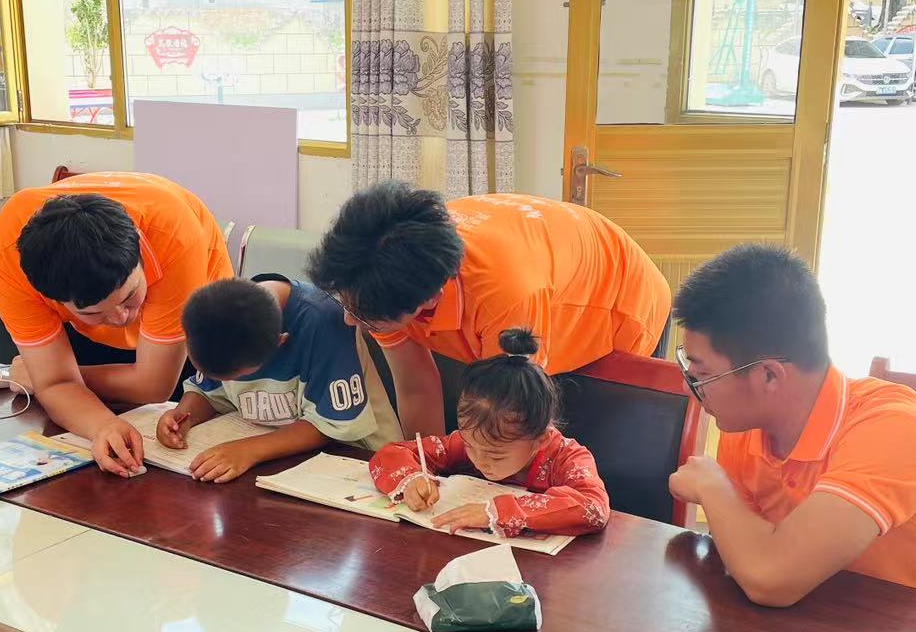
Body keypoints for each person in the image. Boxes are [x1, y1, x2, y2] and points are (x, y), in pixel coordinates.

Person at [665, 243, 916, 616]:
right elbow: (748, 556)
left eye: (702, 375)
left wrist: (713, 487)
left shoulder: (894, 429)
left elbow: (770, 577)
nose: (688, 387)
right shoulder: (746, 433)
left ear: (769, 376)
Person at [307, 182, 672, 436]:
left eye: (363, 314)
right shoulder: (381, 271)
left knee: (590, 452)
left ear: (429, 300)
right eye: (344, 302)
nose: (349, 319)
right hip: (542, 271)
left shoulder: (505, 295)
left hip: (613, 302)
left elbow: (513, 422)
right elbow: (416, 386)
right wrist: (424, 470)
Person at [0, 172, 232, 475]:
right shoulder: (7, 258)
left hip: (192, 319)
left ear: (141, 252)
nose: (121, 318)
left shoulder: (174, 236)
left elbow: (154, 386)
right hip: (87, 339)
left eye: (129, 297)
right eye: (93, 313)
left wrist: (42, 378)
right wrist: (102, 424)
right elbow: (58, 384)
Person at [154, 275, 402, 483]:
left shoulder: (325, 323)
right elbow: (209, 392)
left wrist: (248, 450)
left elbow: (330, 426)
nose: (229, 383)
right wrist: (184, 415)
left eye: (238, 377)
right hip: (277, 461)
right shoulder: (221, 320)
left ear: (280, 343)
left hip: (360, 463)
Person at [368, 329, 610, 538]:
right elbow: (394, 452)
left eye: (496, 456)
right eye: (469, 446)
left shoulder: (568, 458)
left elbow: (593, 507)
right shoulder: (473, 443)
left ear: (540, 440)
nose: (479, 460)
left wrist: (495, 513)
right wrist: (412, 479)